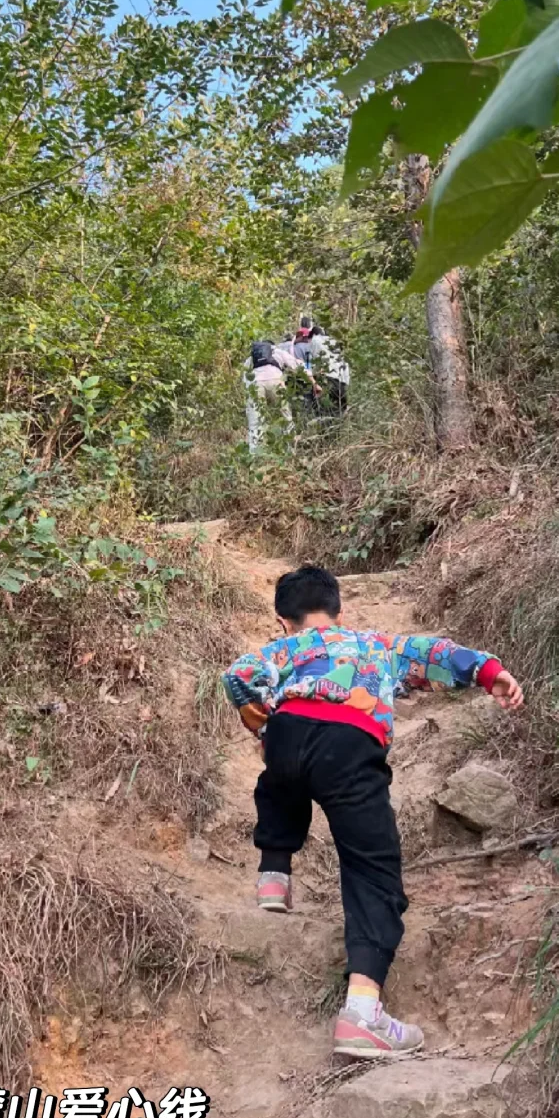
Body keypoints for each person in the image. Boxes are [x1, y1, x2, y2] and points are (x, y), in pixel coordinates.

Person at [222, 564, 524, 1060]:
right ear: (341, 613)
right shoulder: (376, 647)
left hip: (289, 731)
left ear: (283, 622)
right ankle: (363, 1013)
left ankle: (273, 875)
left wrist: (261, 726)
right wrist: (490, 673)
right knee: (372, 868)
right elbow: (435, 654)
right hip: (348, 744)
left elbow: (237, 677)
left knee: (278, 780)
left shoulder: (281, 650)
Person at [244, 339, 318, 453]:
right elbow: (299, 366)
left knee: (255, 423)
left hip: (255, 383)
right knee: (286, 417)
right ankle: (290, 451)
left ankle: (255, 456)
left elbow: (245, 378)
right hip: (276, 381)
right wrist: (314, 383)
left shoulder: (251, 358)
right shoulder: (278, 352)